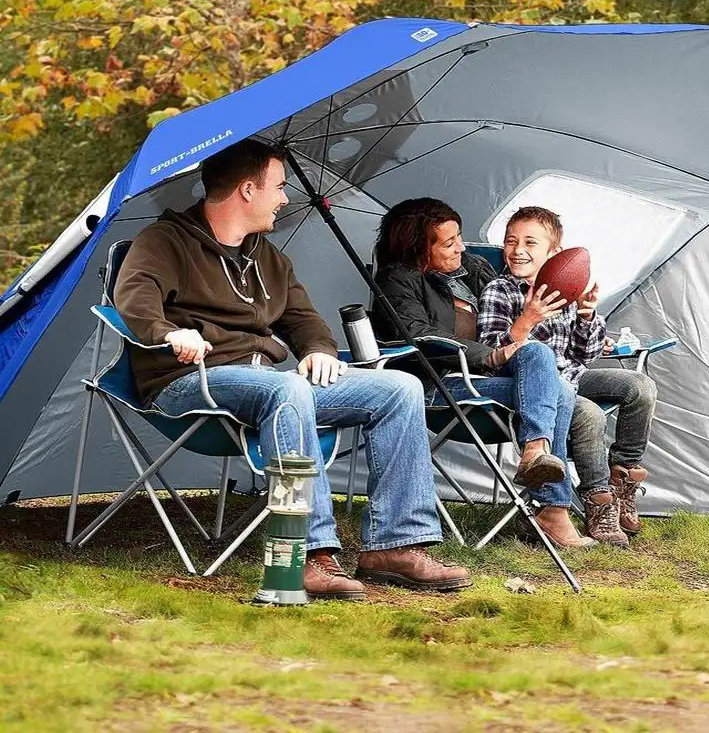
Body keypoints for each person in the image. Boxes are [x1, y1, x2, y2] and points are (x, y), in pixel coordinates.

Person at [114, 139, 470, 599]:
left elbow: (303, 320)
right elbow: (135, 297)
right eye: (279, 187)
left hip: (267, 380)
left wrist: (319, 349)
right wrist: (168, 333)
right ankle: (309, 554)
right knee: (289, 392)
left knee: (398, 388)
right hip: (189, 380)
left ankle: (395, 545)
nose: (285, 198)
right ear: (247, 190)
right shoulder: (165, 241)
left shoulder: (268, 257)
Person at [373, 198, 594, 549]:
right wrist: (491, 355)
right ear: (419, 248)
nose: (461, 246)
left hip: (483, 381)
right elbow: (419, 335)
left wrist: (565, 302)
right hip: (439, 386)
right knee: (554, 384)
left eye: (458, 237)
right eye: (449, 243)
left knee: (548, 369)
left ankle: (537, 454)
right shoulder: (396, 281)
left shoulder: (471, 268)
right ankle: (552, 506)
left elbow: (507, 305)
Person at [478, 206, 657, 547]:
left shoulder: (566, 290)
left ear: (553, 253)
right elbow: (490, 358)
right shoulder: (498, 291)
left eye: (531, 243)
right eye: (511, 241)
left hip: (573, 374)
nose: (518, 250)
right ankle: (597, 501)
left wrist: (587, 314)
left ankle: (624, 479)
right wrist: (527, 319)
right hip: (533, 386)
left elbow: (584, 355)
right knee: (588, 414)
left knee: (640, 386)